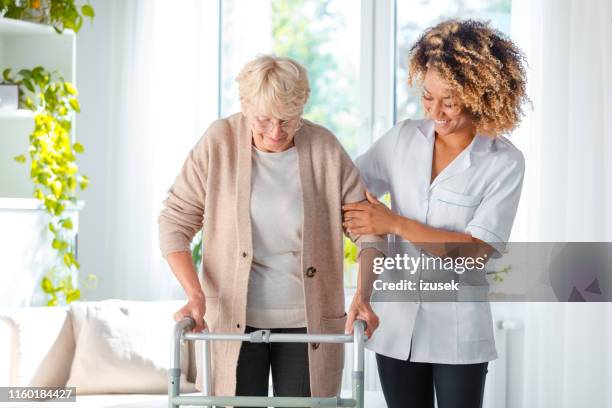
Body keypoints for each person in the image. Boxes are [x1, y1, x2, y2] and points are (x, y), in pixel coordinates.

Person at [158, 54, 383, 403]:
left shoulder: (324, 148)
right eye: (263, 120)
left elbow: (370, 231)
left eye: (288, 120)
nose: (276, 132)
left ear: (302, 108)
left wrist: (363, 296)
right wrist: (194, 294)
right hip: (231, 325)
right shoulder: (218, 142)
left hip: (308, 326)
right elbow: (174, 222)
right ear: (245, 107)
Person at [343, 19, 528, 408]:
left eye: (450, 100)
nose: (436, 112)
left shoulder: (504, 162)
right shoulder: (401, 139)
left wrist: (394, 222)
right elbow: (346, 192)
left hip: (458, 329)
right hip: (394, 322)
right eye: (428, 98)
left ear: (481, 95)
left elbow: (475, 251)